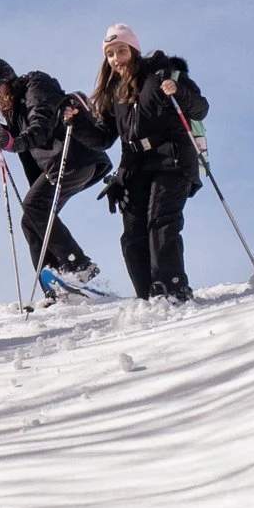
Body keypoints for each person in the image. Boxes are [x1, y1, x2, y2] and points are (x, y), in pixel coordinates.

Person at [90, 24, 207, 302]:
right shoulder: (114, 91)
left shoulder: (161, 73)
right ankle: (147, 296)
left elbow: (201, 109)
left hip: (172, 157)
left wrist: (177, 91)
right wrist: (77, 121)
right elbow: (103, 138)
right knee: (131, 233)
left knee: (161, 221)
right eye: (110, 54)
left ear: (134, 50)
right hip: (136, 165)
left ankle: (172, 289)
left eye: (121, 50)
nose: (116, 58)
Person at [0, 48, 111, 284]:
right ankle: (55, 285)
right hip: (59, 165)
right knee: (31, 219)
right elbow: (22, 139)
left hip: (74, 157)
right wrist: (0, 131)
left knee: (34, 207)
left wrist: (12, 141)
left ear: (7, 80)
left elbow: (41, 126)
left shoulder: (36, 87)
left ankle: (80, 266)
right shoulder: (15, 108)